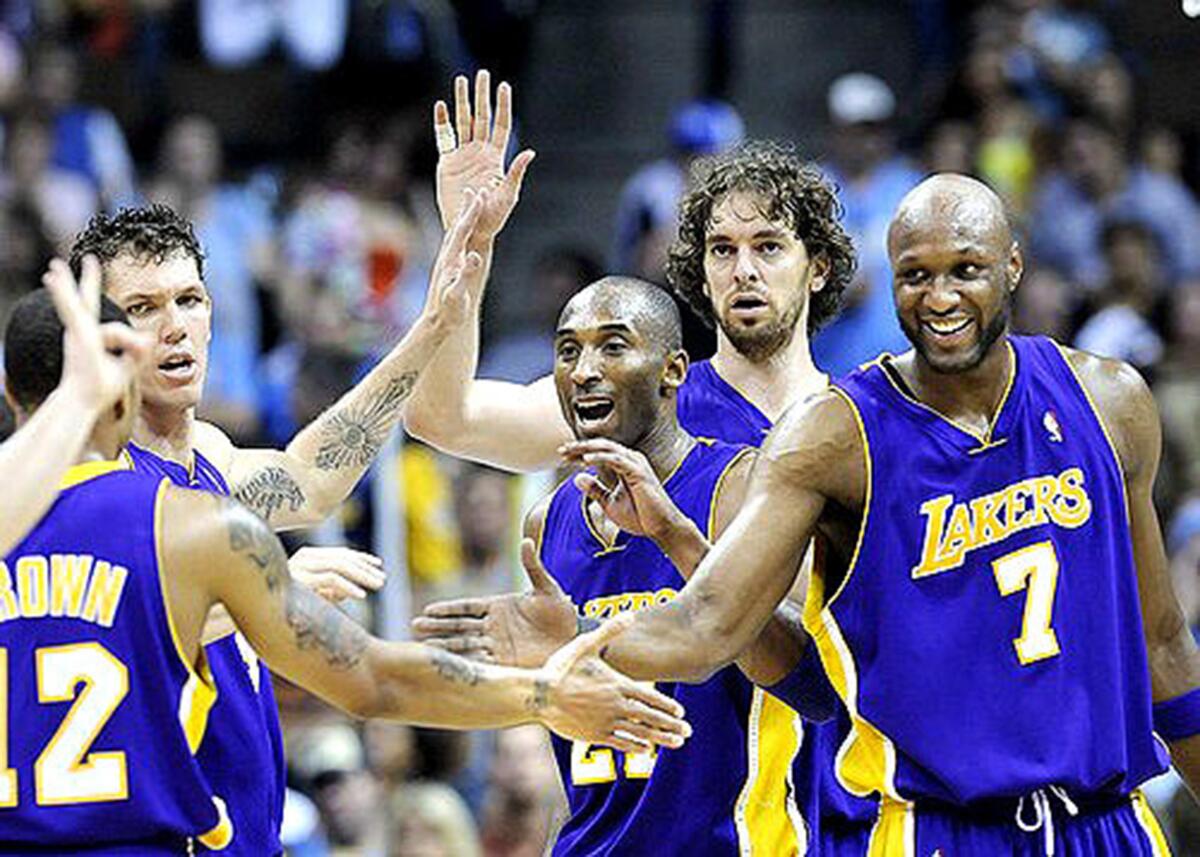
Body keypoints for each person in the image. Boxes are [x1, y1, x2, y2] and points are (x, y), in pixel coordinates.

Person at [577, 173, 1200, 853]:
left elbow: (1164, 646)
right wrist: (567, 637)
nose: (941, 297)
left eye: (966, 270)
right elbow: (706, 625)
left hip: (1107, 821)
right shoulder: (832, 435)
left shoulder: (1109, 401)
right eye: (915, 276)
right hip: (938, 828)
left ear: (1013, 264)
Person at [0, 282, 689, 854]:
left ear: (8, 391)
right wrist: (541, 693)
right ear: (127, 379)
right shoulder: (193, 526)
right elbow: (371, 677)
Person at [405, 72, 875, 852]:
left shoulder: (865, 428)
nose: (743, 270)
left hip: (825, 810)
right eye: (722, 249)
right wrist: (468, 242)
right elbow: (440, 414)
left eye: (768, 247)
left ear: (818, 266)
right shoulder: (638, 405)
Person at [62, 191, 481, 855]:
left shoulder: (213, 458)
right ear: (99, 333)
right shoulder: (88, 477)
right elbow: (119, 638)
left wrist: (429, 328)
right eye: (144, 308)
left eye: (189, 300)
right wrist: (265, 592)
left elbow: (310, 480)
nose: (174, 326)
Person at [421, 276, 833, 852]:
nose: (585, 369)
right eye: (568, 350)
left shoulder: (739, 487)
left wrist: (675, 538)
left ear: (673, 370)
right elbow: (568, 750)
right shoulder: (548, 523)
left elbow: (815, 687)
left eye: (613, 346)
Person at [0, 256, 148, 556]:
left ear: (8, 389)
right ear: (123, 399)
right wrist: (80, 394)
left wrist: (78, 395)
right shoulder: (187, 520)